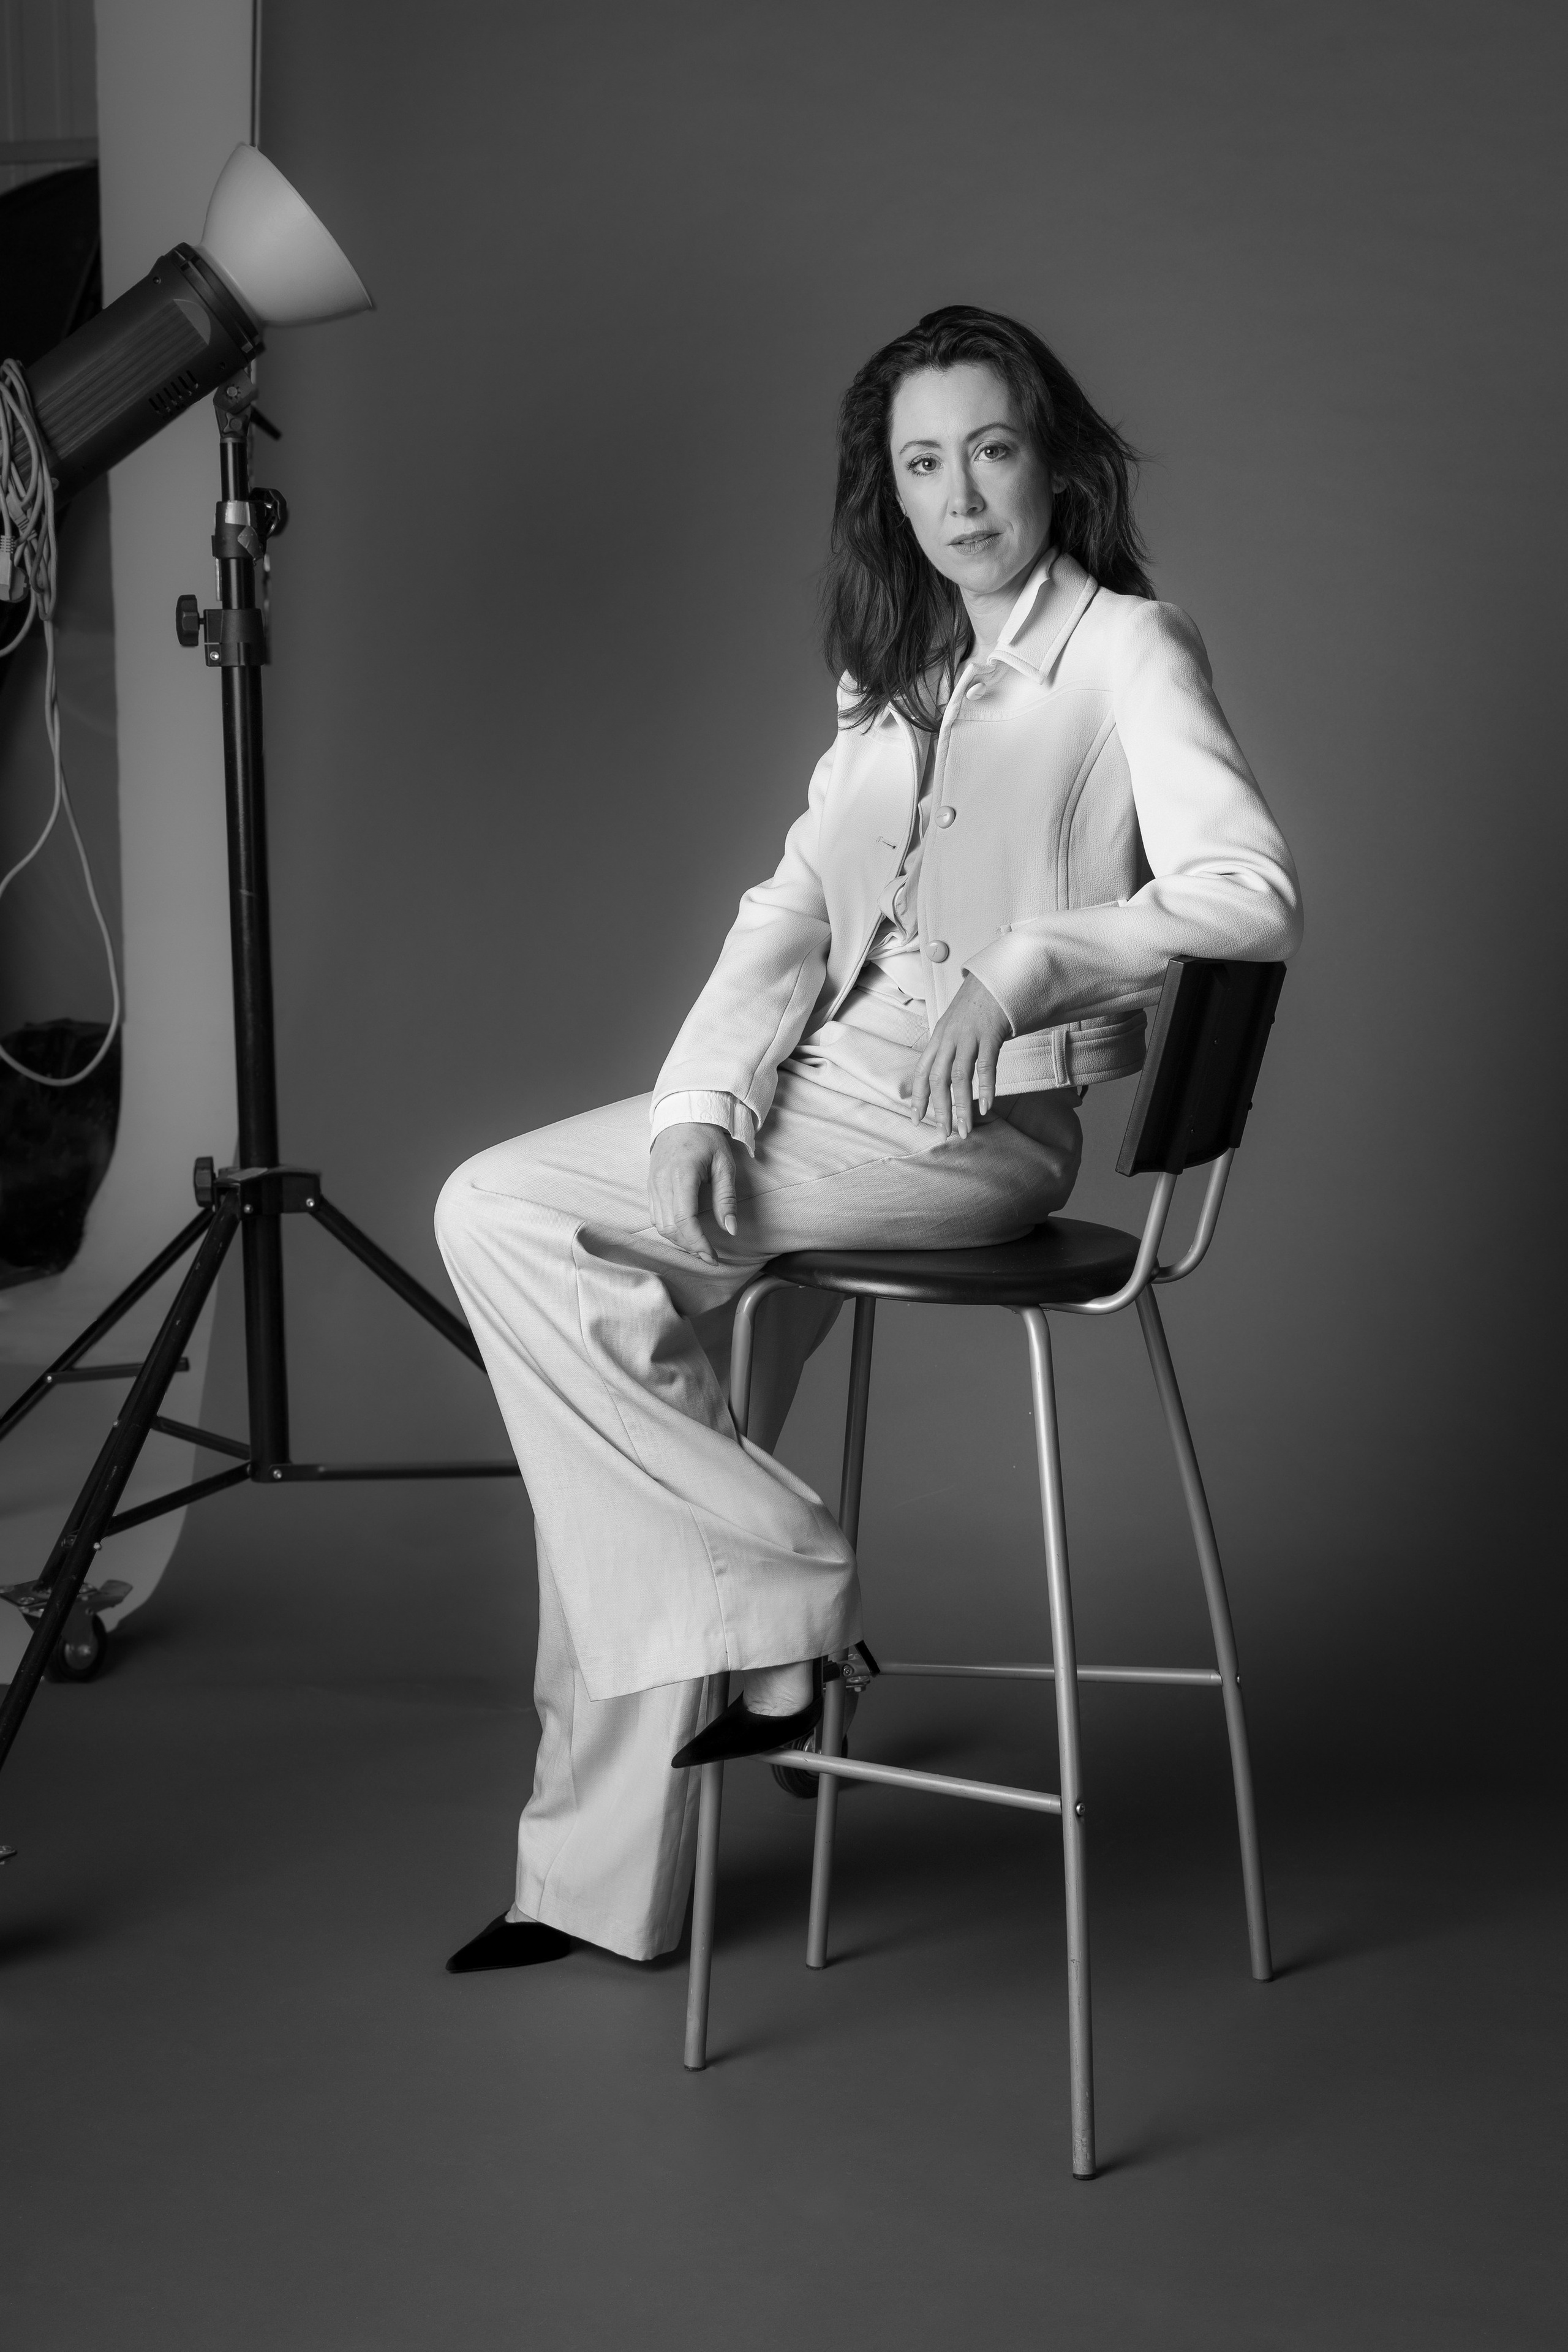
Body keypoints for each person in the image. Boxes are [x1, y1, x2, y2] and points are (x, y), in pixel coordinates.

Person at [436, 305, 1302, 1973]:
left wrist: (1036, 959)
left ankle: (787, 1596)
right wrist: (704, 1098)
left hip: (969, 1134)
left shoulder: (1128, 647)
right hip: (817, 1106)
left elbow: (1249, 896)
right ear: (889, 495)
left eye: (990, 448)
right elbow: (788, 910)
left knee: (500, 1213)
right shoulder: (890, 673)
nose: (963, 494)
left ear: (1050, 460)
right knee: (623, 1423)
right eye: (924, 463)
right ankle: (592, 1881)